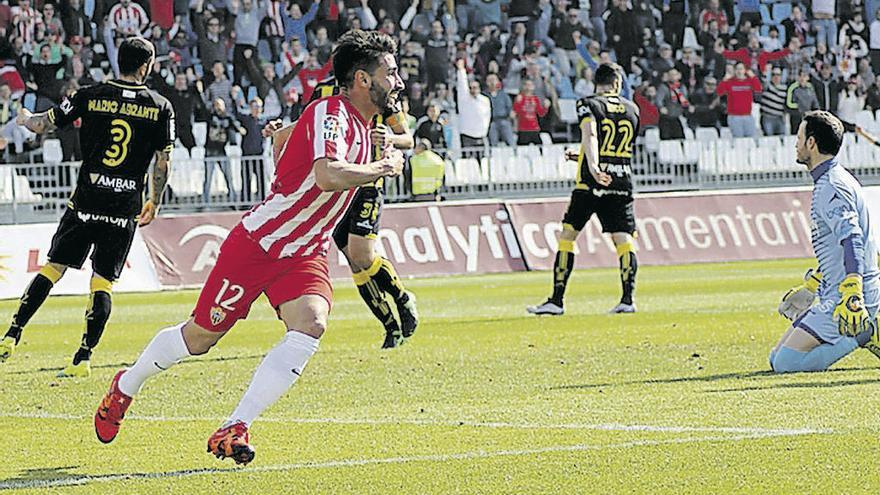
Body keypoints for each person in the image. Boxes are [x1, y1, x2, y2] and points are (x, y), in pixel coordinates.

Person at [93, 31, 405, 464]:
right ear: (362, 80)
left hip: (305, 251)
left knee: (311, 324)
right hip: (260, 244)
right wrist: (380, 167)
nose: (400, 81)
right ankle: (126, 385)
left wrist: (289, 141)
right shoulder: (332, 112)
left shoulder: (361, 124)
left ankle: (234, 426)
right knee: (200, 338)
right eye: (391, 72)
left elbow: (292, 144)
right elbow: (327, 175)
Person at [0, 38, 174, 377]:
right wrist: (154, 199)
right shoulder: (160, 106)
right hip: (124, 207)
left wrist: (23, 119)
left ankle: (10, 335)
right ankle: (82, 358)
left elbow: (43, 123)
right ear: (145, 66)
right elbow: (163, 162)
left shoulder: (89, 95)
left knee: (54, 267)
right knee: (102, 281)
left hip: (86, 201)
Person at [527, 63, 640, 316]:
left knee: (568, 236)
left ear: (596, 83)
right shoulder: (633, 108)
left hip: (591, 182)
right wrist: (582, 156)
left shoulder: (587, 104)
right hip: (621, 180)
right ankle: (627, 299)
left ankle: (556, 301)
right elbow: (618, 145)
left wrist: (592, 165)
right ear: (617, 83)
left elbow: (591, 136)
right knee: (623, 239)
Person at [772, 111, 880, 372]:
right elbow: (838, 247)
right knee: (775, 358)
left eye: (799, 137)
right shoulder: (834, 178)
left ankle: (866, 331)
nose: (795, 144)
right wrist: (812, 285)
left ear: (811, 143)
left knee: (787, 363)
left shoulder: (831, 185)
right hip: (839, 291)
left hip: (851, 297)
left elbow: (852, 238)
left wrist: (853, 288)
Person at [455, 59, 490, 156]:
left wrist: (484, 131)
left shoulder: (485, 100)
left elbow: (487, 116)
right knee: (467, 161)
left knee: (481, 160)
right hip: (467, 134)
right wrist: (461, 70)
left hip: (481, 135)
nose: (472, 90)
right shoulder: (464, 98)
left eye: (475, 87)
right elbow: (462, 84)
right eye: (470, 87)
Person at [716, 62, 761, 137]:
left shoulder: (749, 81)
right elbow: (719, 92)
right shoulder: (730, 82)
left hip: (748, 116)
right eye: (737, 69)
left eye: (741, 69)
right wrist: (724, 80)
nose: (739, 71)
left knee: (751, 140)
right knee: (739, 141)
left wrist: (753, 76)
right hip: (734, 117)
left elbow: (758, 88)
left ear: (744, 70)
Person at [760, 68, 788, 136]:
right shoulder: (767, 86)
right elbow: (763, 80)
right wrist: (765, 73)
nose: (776, 77)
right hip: (767, 118)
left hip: (779, 118)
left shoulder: (785, 88)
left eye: (778, 75)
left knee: (782, 139)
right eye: (773, 74)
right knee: (769, 139)